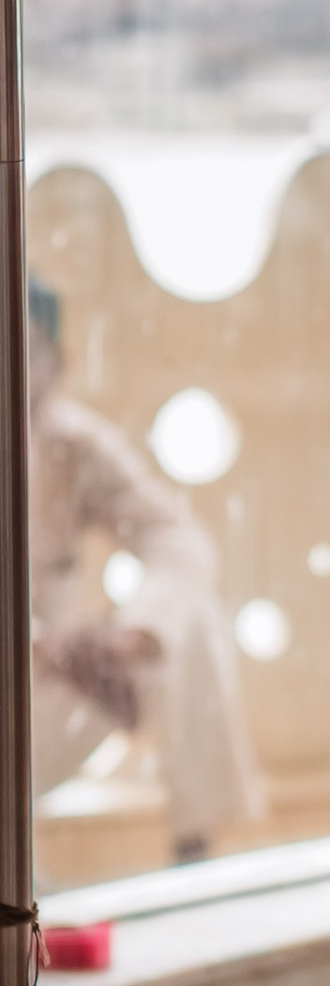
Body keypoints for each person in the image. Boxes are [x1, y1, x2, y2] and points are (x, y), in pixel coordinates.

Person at [28, 279, 260, 862]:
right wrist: (40, 647)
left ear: (57, 364)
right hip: (30, 671)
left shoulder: (73, 442)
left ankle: (196, 848)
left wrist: (130, 637)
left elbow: (179, 540)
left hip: (39, 704)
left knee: (194, 622)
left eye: (25, 349)